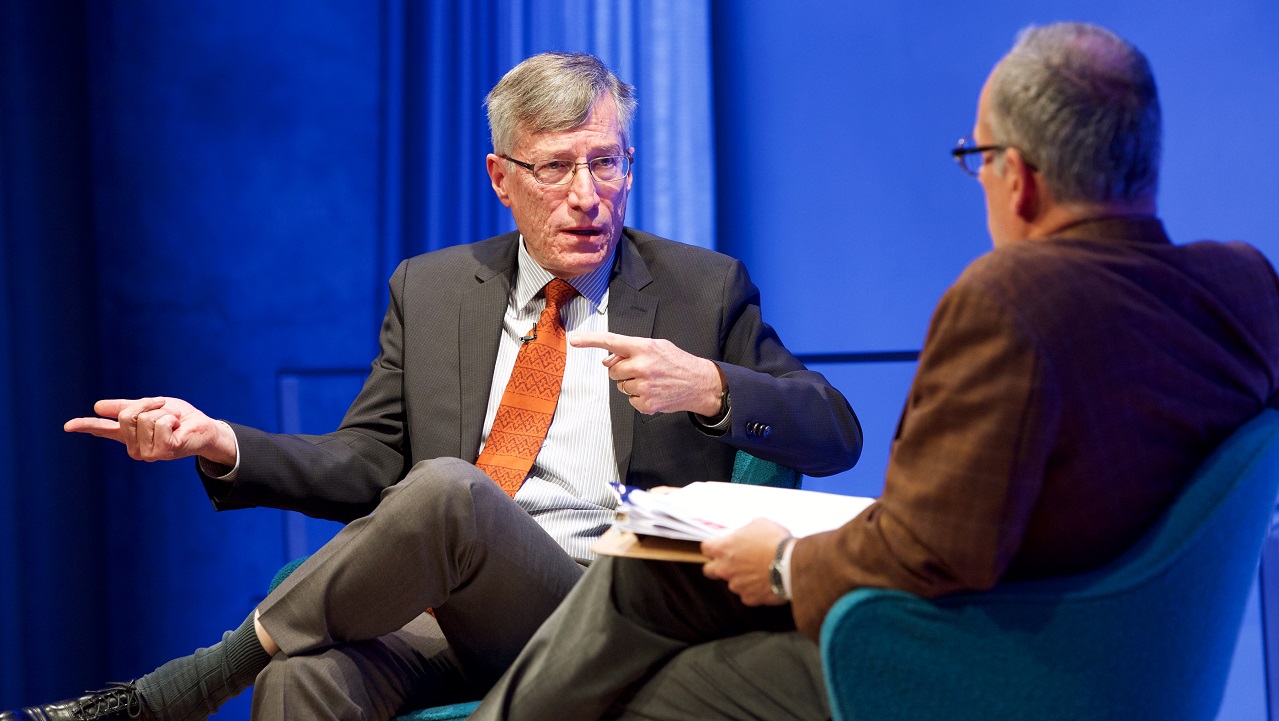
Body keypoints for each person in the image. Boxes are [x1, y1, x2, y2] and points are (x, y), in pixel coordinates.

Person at [0, 52, 862, 721]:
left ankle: (183, 688)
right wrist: (221, 441)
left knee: (450, 488)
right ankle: (225, 677)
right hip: (451, 610)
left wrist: (711, 383)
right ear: (501, 179)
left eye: (607, 164)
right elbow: (368, 462)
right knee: (309, 676)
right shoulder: (434, 287)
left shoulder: (699, 289)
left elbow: (833, 430)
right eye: (556, 168)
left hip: (606, 608)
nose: (587, 196)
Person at [468, 22, 1279, 721]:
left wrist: (782, 558)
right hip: (1127, 654)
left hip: (972, 659)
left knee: (648, 682)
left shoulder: (1011, 299)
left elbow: (934, 550)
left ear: (1019, 178)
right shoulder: (1244, 285)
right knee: (645, 578)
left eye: (977, 157)